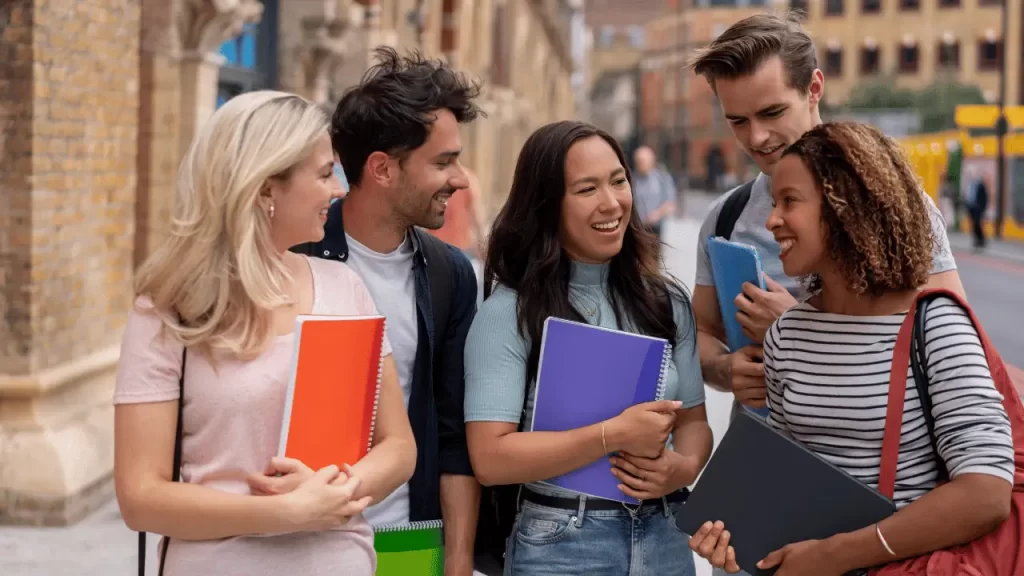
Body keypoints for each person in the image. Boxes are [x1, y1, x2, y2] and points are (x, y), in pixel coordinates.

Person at [689, 121, 1015, 575]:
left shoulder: (934, 326)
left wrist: (833, 556)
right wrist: (743, 538)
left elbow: (987, 493)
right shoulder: (786, 334)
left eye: (790, 202)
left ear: (845, 207)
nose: (771, 220)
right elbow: (784, 480)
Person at [113, 91, 417, 575]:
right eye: (323, 174)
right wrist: (284, 513)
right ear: (264, 189)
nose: (339, 189)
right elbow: (139, 498)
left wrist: (335, 489)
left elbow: (399, 447)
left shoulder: (345, 289)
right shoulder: (170, 309)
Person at [685, 11, 966, 421]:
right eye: (738, 121)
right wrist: (724, 369)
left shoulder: (901, 207)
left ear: (814, 88)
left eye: (772, 112)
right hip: (758, 461)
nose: (756, 137)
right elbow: (701, 335)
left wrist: (794, 330)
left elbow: (950, 357)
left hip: (867, 471)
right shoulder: (725, 217)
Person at [464, 121, 713, 576]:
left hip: (665, 535)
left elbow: (695, 423)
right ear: (547, 206)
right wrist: (612, 435)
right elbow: (490, 459)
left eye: (619, 181)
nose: (612, 202)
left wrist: (682, 467)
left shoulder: (666, 302)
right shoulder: (510, 312)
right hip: (561, 542)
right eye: (586, 189)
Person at [292, 47, 482, 576]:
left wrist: (459, 560)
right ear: (381, 168)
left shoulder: (450, 275)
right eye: (444, 162)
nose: (461, 180)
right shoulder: (292, 257)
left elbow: (452, 435)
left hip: (405, 542)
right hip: (296, 539)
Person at [633, 145, 677, 248]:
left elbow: (671, 204)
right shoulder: (632, 179)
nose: (640, 163)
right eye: (638, 160)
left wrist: (657, 214)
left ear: (652, 161)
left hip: (654, 230)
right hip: (635, 229)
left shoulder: (662, 179)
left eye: (643, 160)